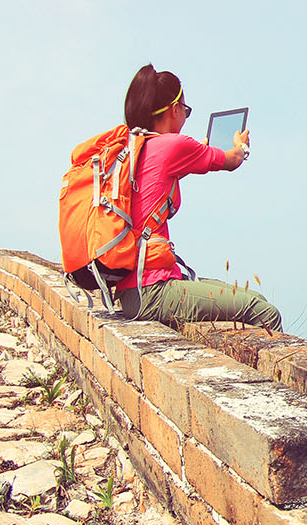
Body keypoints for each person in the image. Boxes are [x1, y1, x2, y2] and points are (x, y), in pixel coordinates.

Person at [111, 63, 282, 331]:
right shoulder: (173, 146)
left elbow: (171, 169)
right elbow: (231, 159)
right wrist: (241, 146)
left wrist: (198, 149)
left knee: (255, 299)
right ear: (174, 108)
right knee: (263, 312)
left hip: (132, 290)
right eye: (185, 110)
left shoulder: (134, 149)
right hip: (151, 291)